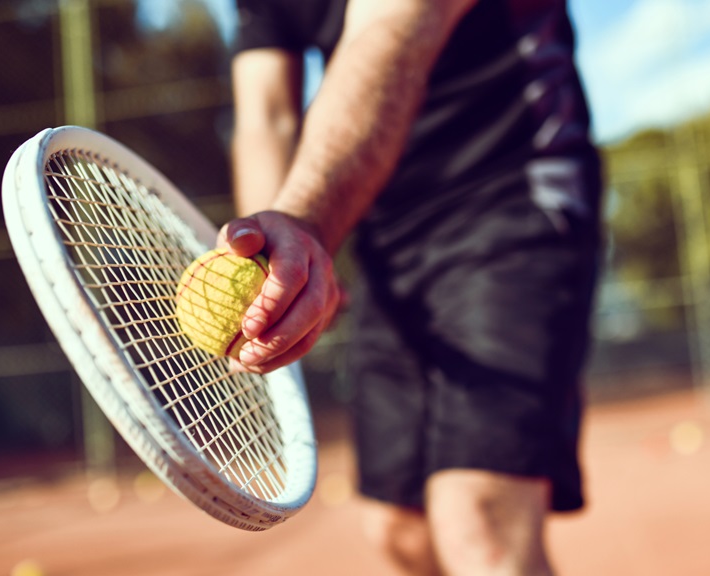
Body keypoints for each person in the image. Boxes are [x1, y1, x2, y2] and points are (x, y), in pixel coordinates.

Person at [219, 0, 602, 574]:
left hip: (515, 192)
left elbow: (390, 26)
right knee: (400, 528)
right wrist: (275, 265)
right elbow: (267, 115)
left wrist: (307, 223)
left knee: (479, 517)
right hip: (387, 231)